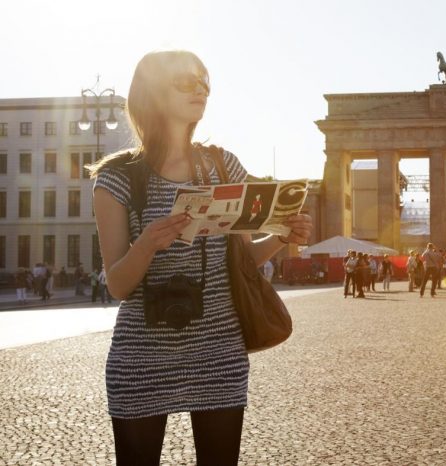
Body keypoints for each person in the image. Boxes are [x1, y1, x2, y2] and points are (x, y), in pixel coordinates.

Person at [90, 50, 312, 465]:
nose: (201, 91)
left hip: (219, 352)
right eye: (186, 82)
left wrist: (284, 236)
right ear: (154, 92)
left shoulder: (222, 165)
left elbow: (245, 258)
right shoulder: (118, 177)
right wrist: (149, 244)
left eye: (204, 82)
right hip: (142, 357)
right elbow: (118, 285)